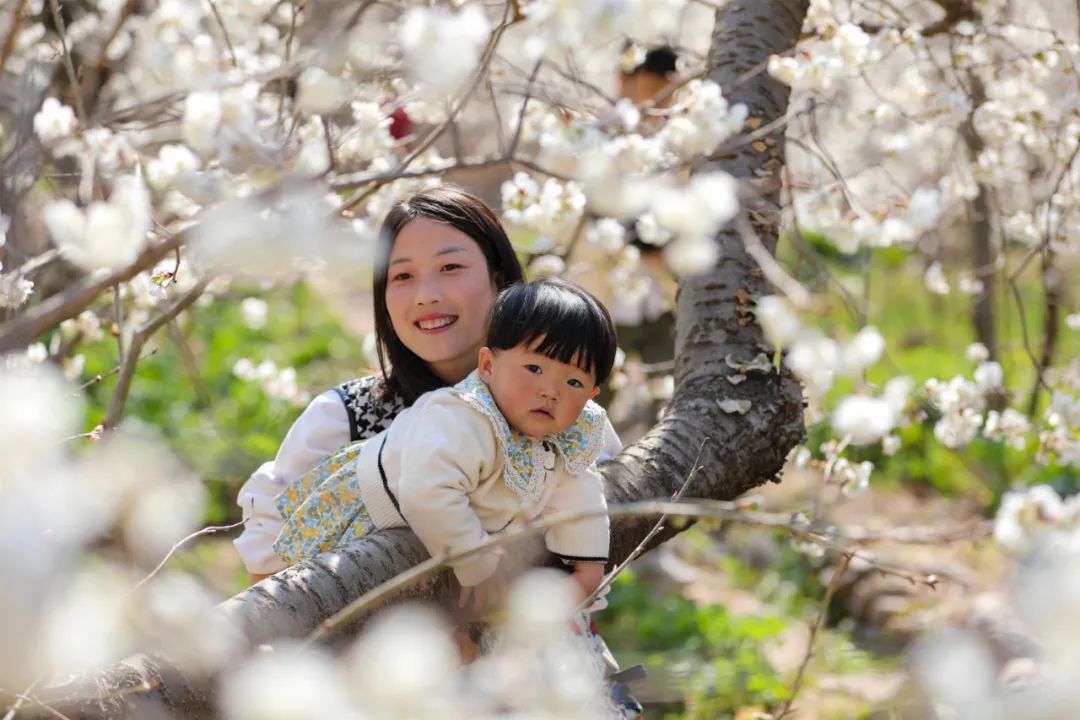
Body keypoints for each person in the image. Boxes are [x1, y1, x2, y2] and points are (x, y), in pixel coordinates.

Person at [233, 186, 644, 718]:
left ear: (500, 279)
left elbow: (593, 497)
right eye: (401, 276)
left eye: (450, 267)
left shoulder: (564, 412)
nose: (425, 293)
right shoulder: (341, 420)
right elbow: (272, 572)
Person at [272, 278, 616, 628]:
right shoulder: (461, 416)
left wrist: (587, 568)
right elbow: (427, 493)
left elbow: (580, 493)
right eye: (534, 368)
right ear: (488, 367)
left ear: (591, 395)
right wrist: (479, 565)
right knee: (343, 617)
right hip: (374, 515)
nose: (551, 391)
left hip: (445, 526)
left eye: (573, 381)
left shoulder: (566, 434)